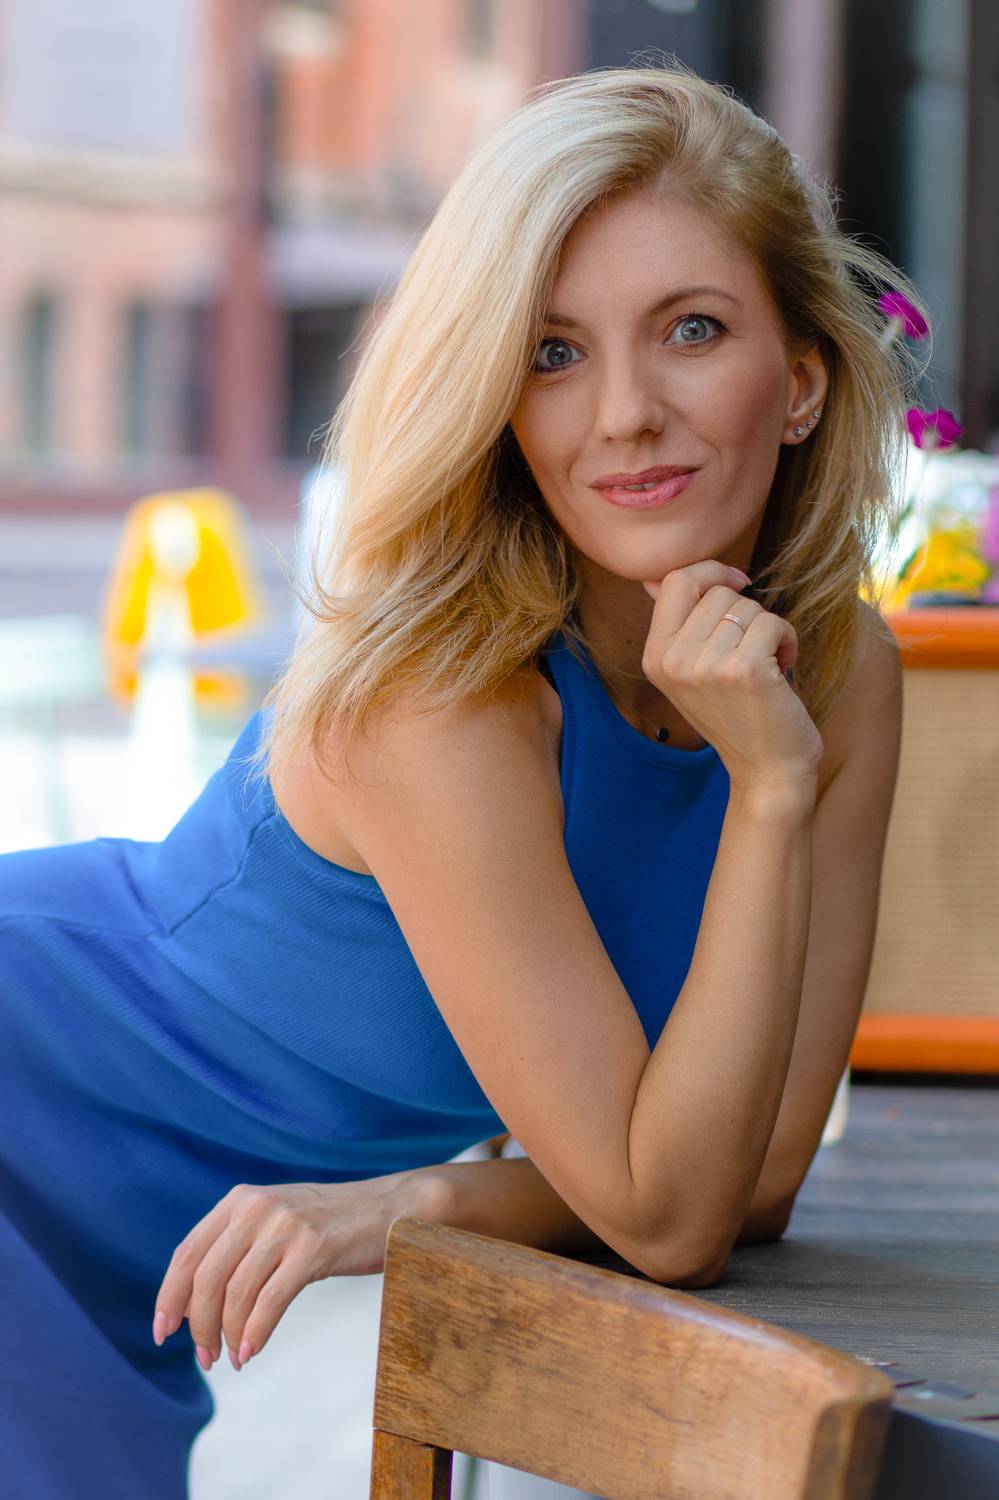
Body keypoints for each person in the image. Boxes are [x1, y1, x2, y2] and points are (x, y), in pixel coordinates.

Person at [0, 60, 925, 1499]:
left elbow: (746, 1186)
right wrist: (762, 795)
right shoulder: (443, 695)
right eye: (552, 353)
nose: (625, 412)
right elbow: (667, 1215)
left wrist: (425, 1199)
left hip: (166, 1236)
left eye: (690, 330)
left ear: (800, 380)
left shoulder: (840, 674)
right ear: (495, 397)